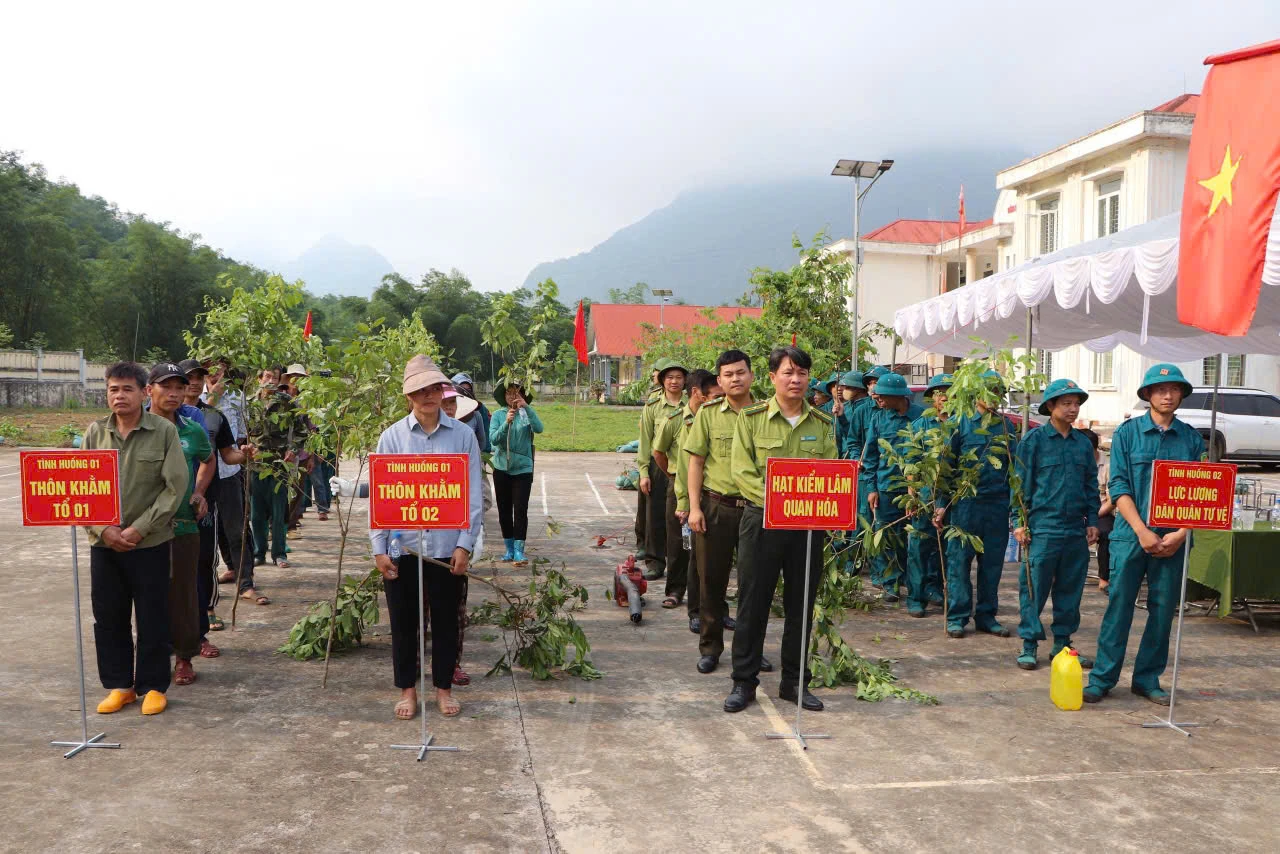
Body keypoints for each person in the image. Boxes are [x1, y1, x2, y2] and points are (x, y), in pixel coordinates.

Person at [724, 345, 837, 713]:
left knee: (800, 606)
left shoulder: (822, 424)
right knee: (752, 605)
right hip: (762, 522)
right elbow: (742, 472)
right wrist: (781, 504)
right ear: (772, 377)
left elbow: (832, 474)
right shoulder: (752, 418)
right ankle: (744, 682)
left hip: (807, 527)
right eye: (788, 373)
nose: (796, 380)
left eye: (802, 373)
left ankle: (794, 683)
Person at [1085, 364, 1205, 706]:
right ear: (1147, 395)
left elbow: (1201, 493)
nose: (1168, 395)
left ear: (1181, 394)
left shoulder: (1191, 438)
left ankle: (1147, 679)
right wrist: (1141, 531)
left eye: (1174, 389)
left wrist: (1182, 533)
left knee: (1163, 610)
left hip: (1172, 540)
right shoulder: (1127, 434)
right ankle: (1103, 678)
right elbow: (1118, 485)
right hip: (1130, 535)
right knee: (1118, 607)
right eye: (1160, 389)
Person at [371, 355, 482, 720]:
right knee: (403, 623)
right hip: (403, 548)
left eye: (435, 388)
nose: (429, 395)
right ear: (409, 396)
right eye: (420, 390)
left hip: (447, 549)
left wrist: (466, 543)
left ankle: (442, 689)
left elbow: (473, 496)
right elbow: (381, 497)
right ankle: (407, 690)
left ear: (443, 392)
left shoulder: (463, 436)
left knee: (447, 622)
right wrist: (379, 549)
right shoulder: (392, 438)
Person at [82, 362, 189, 717]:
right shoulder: (95, 434)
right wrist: (103, 530)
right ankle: (120, 686)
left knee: (153, 616)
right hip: (105, 545)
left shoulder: (163, 432)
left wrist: (140, 527)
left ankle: (153, 687)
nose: (119, 396)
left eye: (127, 389)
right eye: (113, 389)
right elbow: (82, 490)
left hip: (150, 543)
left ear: (144, 393)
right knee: (109, 617)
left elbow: (174, 487)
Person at [1013, 379, 1100, 670]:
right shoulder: (1034, 442)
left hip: (1075, 529)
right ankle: (1029, 645)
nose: (1073, 409)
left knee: (1070, 590)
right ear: (1051, 406)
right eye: (1067, 403)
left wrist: (1093, 519)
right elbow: (1020, 486)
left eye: (1076, 404)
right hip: (1043, 527)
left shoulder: (1082, 445)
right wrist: (1019, 523)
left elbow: (1090, 484)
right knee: (1033, 588)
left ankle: (1062, 645)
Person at [684, 350, 762, 668]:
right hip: (716, 507)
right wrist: (693, 508)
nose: (735, 379)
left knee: (754, 584)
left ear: (752, 375)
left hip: (756, 510)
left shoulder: (767, 412)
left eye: (740, 372)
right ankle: (710, 648)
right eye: (728, 374)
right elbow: (696, 462)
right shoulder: (709, 413)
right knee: (711, 582)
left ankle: (749, 652)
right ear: (719, 380)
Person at [147, 363, 215, 687]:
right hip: (142, 527)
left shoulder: (191, 429)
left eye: (179, 387)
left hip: (183, 524)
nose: (174, 393)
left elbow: (208, 458)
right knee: (147, 592)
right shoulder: (135, 429)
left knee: (183, 593)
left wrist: (199, 491)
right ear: (150, 390)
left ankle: (184, 658)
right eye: (166, 387)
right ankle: (149, 658)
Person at [180, 359, 254, 655]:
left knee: (204, 560)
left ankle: (205, 617)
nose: (196, 382)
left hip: (203, 499)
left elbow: (225, 456)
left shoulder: (213, 417)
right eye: (190, 378)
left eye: (200, 377)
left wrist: (245, 454)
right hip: (164, 505)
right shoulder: (156, 419)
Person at [941, 369, 1019, 639]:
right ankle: (958, 616)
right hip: (966, 506)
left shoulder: (1007, 426)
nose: (994, 398)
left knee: (992, 565)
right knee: (959, 563)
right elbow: (945, 469)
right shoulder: (960, 423)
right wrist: (942, 505)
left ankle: (987, 615)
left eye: (999, 393)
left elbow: (1014, 470)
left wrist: (1015, 508)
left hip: (997, 506)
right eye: (989, 392)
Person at [654, 368, 719, 615]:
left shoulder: (714, 419)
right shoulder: (675, 421)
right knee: (680, 544)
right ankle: (675, 590)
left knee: (702, 547)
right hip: (679, 492)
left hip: (708, 491)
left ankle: (704, 596)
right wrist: (672, 476)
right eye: (713, 394)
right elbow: (658, 453)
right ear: (698, 393)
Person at [863, 372, 925, 603]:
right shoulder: (878, 419)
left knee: (917, 541)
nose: (877, 400)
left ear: (896, 396)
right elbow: (870, 456)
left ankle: (917, 586)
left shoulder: (920, 417)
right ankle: (891, 583)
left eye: (881, 396)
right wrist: (871, 488)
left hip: (916, 490)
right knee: (888, 538)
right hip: (887, 488)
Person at [203, 359, 260, 596]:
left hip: (229, 471)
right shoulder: (193, 397)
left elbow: (242, 434)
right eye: (210, 369)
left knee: (236, 527)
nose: (216, 374)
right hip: (199, 476)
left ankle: (245, 581)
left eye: (220, 369)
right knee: (212, 531)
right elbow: (200, 417)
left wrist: (245, 452)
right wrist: (213, 398)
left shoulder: (237, 397)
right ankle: (230, 568)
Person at [904, 373, 952, 616]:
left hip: (953, 496)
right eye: (940, 393)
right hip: (926, 494)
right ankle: (915, 596)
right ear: (933, 398)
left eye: (950, 393)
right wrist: (912, 496)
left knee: (944, 547)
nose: (945, 398)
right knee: (919, 547)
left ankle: (935, 589)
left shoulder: (959, 424)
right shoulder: (921, 425)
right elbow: (911, 463)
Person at [637, 359, 687, 580]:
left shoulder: (693, 404)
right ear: (662, 381)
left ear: (685, 381)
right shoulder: (652, 406)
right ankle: (656, 562)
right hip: (659, 465)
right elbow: (645, 440)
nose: (674, 381)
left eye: (678, 377)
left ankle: (682, 566)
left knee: (681, 518)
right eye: (670, 377)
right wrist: (644, 472)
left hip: (684, 467)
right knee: (655, 515)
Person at [490, 379, 544, 565]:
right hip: (501, 468)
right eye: (509, 393)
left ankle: (520, 551)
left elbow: (540, 428)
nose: (513, 396)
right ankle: (509, 549)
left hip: (523, 468)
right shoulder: (498, 415)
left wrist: (526, 408)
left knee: (520, 509)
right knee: (504, 510)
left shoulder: (526, 414)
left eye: (517, 393)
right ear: (503, 396)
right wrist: (506, 423)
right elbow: (493, 440)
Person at [249, 367, 298, 568]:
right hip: (256, 464)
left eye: (275, 377)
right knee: (256, 513)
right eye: (267, 376)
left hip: (279, 464)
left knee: (279, 511)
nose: (270, 380)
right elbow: (241, 431)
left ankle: (279, 553)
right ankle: (259, 552)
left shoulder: (286, 403)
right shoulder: (250, 403)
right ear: (259, 379)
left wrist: (293, 450)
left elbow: (302, 430)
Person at [1084, 428, 1113, 594]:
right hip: (1078, 511)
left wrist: (1094, 516)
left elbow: (1112, 500)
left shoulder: (1108, 466)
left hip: (1101, 511)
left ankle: (1104, 579)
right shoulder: (1074, 462)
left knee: (1108, 533)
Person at [451, 372, 492, 453]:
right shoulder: (444, 409)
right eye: (461, 389)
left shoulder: (478, 411)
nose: (464, 393)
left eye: (468, 390)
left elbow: (483, 441)